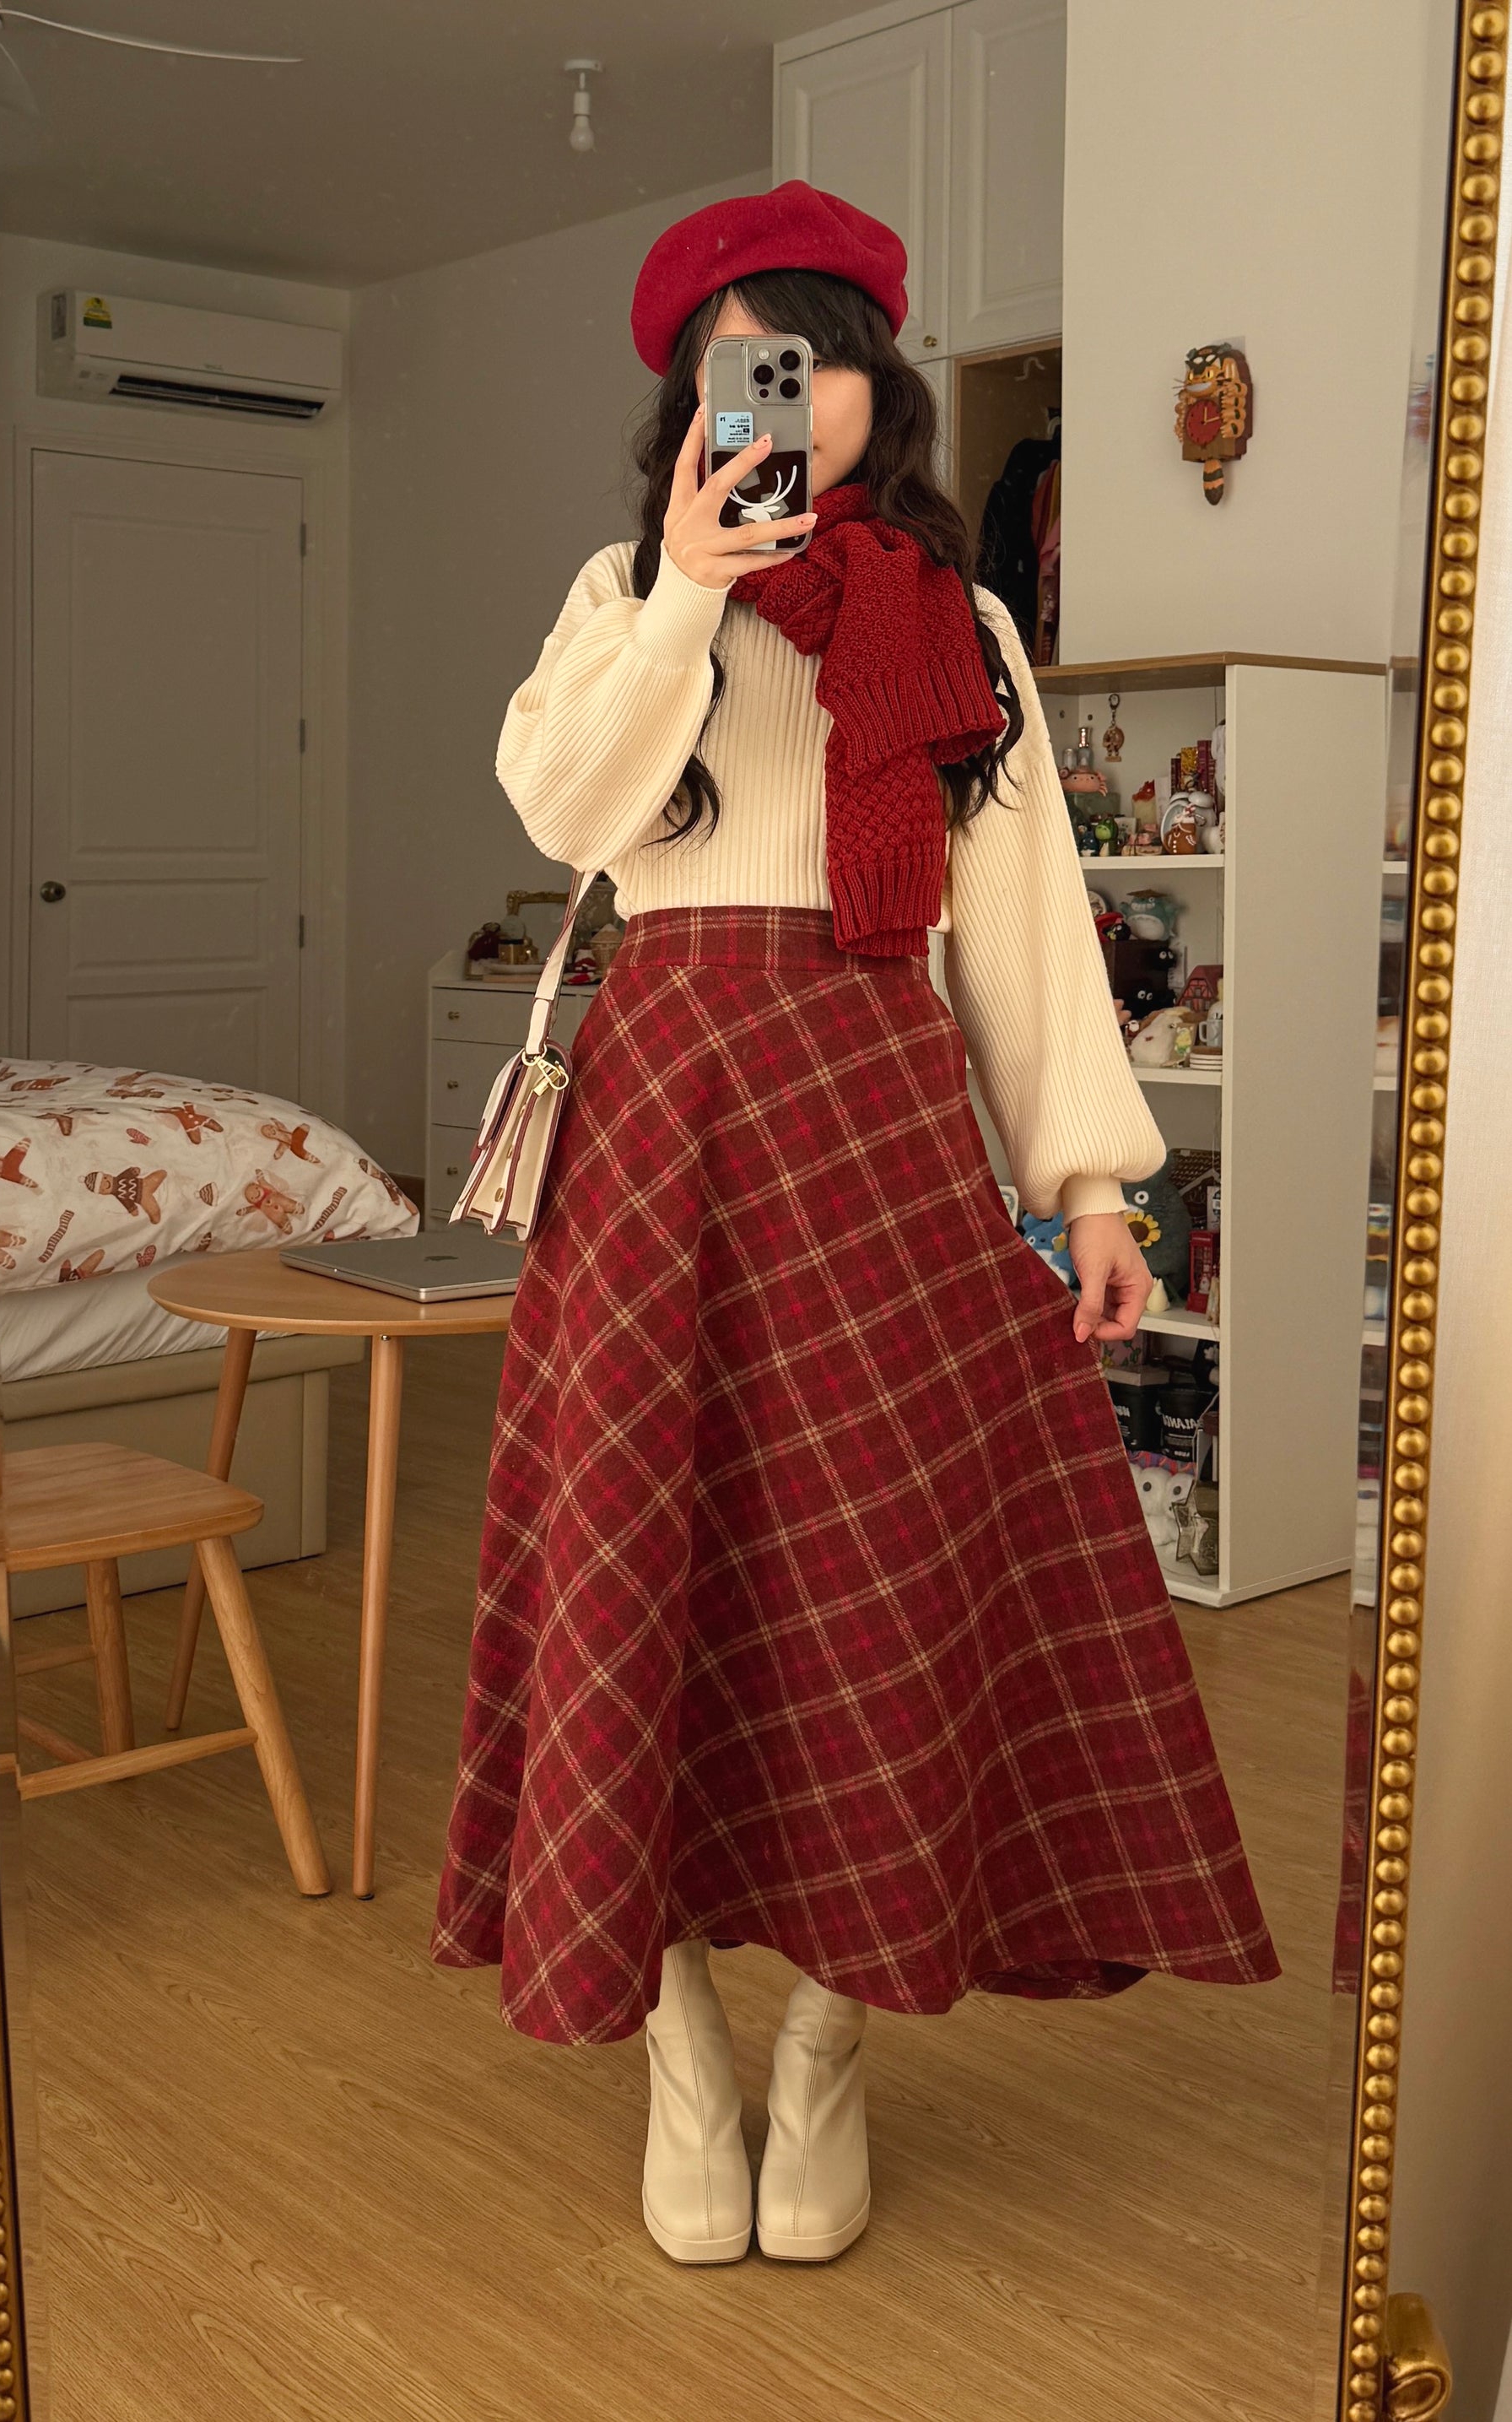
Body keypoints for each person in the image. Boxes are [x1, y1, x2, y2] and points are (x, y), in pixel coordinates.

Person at [431, 181, 1277, 2269]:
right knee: (647, 1563)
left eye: (811, 358)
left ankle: (826, 2039)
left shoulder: (954, 626)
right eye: (744, 364)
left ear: (874, 391)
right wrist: (683, 597)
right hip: (668, 1109)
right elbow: (567, 811)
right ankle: (680, 2042)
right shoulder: (621, 591)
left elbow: (1024, 923)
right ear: (692, 400)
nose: (782, 398)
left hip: (875, 1103)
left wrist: (1090, 1185)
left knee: (876, 1571)